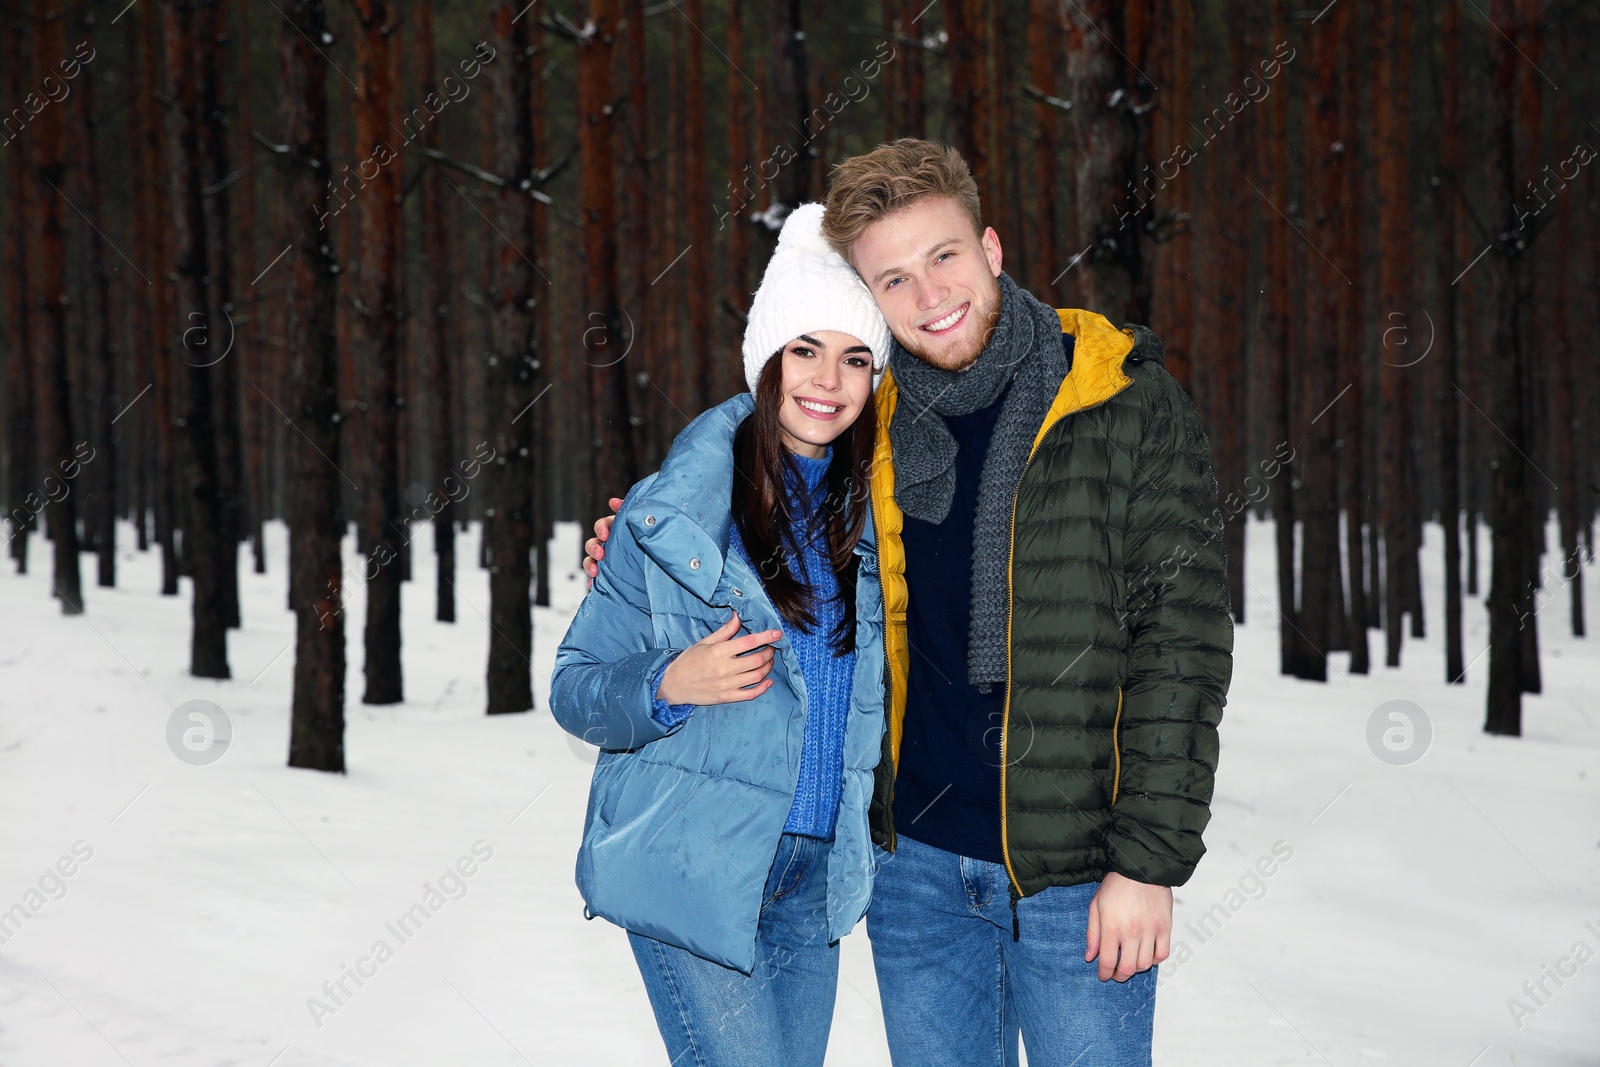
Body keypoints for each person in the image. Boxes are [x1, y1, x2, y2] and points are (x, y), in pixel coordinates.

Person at [584, 139, 1234, 1067]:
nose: (930, 295)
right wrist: (642, 533)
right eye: (893, 279)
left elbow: (1184, 647)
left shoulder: (1122, 402)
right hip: (914, 874)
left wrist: (1147, 862)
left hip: (1078, 877)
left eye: (945, 257)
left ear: (992, 248)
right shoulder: (864, 426)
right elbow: (745, 462)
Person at [550, 202, 894, 1067]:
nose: (827, 379)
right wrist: (668, 683)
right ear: (765, 359)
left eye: (856, 357)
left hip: (815, 882)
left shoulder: (880, 526)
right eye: (804, 349)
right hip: (697, 864)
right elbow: (575, 688)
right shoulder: (676, 518)